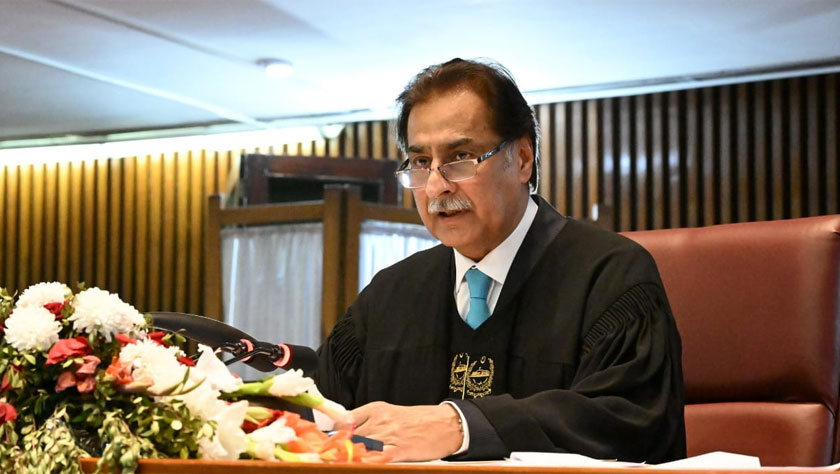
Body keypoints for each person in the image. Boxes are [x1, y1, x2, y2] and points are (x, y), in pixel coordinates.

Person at [314, 58, 686, 463]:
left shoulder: (612, 276)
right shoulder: (390, 296)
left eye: (461, 156)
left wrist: (462, 427)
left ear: (523, 159)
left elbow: (630, 424)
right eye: (421, 162)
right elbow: (317, 417)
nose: (436, 186)